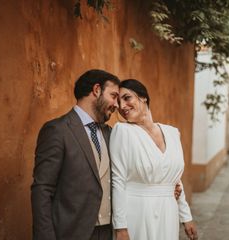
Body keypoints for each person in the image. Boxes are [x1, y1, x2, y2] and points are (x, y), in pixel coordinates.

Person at [31, 69, 120, 240]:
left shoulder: (111, 133)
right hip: (71, 233)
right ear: (96, 90)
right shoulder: (57, 130)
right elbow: (42, 189)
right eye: (113, 95)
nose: (117, 105)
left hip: (108, 233)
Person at [110, 79, 198, 240]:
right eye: (118, 102)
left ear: (143, 97)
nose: (122, 106)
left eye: (127, 98)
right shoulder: (122, 131)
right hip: (137, 212)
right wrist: (120, 227)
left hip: (168, 212)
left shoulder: (172, 132)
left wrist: (186, 217)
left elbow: (176, 180)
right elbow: (118, 180)